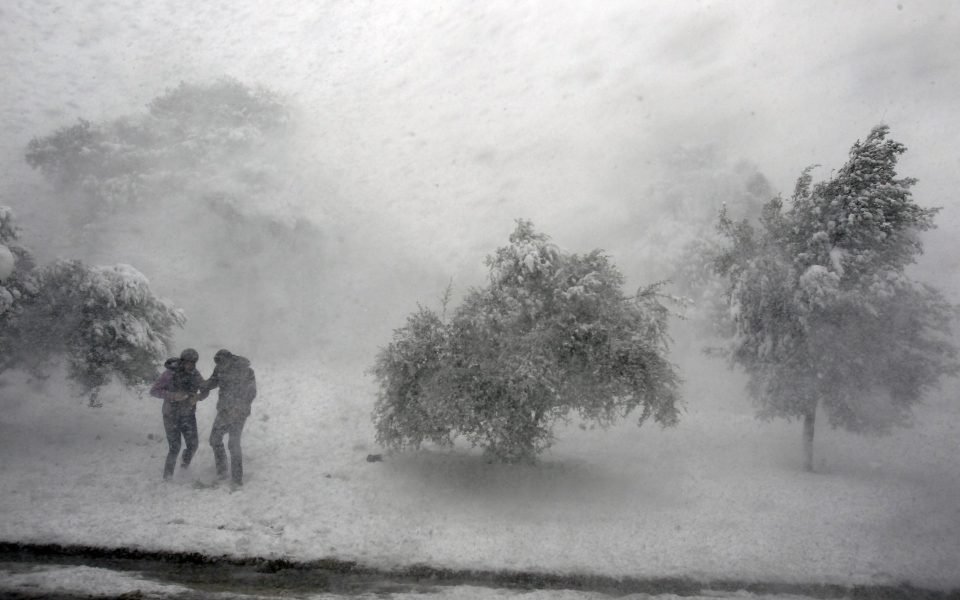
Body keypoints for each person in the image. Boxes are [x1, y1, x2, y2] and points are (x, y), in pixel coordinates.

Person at [201, 349, 257, 487]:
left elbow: (251, 392)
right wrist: (196, 384)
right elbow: (212, 383)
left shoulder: (245, 370)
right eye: (218, 365)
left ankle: (237, 479)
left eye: (222, 364)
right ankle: (222, 471)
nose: (220, 367)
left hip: (239, 413)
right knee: (215, 440)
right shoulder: (220, 368)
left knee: (233, 443)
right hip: (224, 411)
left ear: (230, 360)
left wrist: (238, 407)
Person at [150, 348, 206, 481]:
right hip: (171, 415)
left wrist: (198, 397)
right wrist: (173, 396)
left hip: (188, 415)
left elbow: (205, 389)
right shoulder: (170, 373)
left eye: (193, 363)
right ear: (182, 361)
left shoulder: (195, 374)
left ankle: (184, 467)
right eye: (188, 362)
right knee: (175, 447)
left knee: (193, 445)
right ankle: (167, 477)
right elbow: (154, 391)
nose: (190, 365)